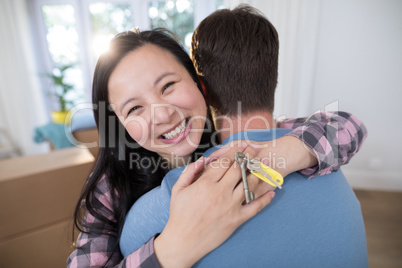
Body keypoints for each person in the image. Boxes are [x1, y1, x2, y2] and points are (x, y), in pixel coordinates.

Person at [67, 23, 367, 268]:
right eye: (134, 109)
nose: (162, 114)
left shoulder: (240, 137)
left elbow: (348, 126)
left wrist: (281, 155)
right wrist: (171, 250)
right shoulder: (112, 189)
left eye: (168, 86)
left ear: (200, 85)